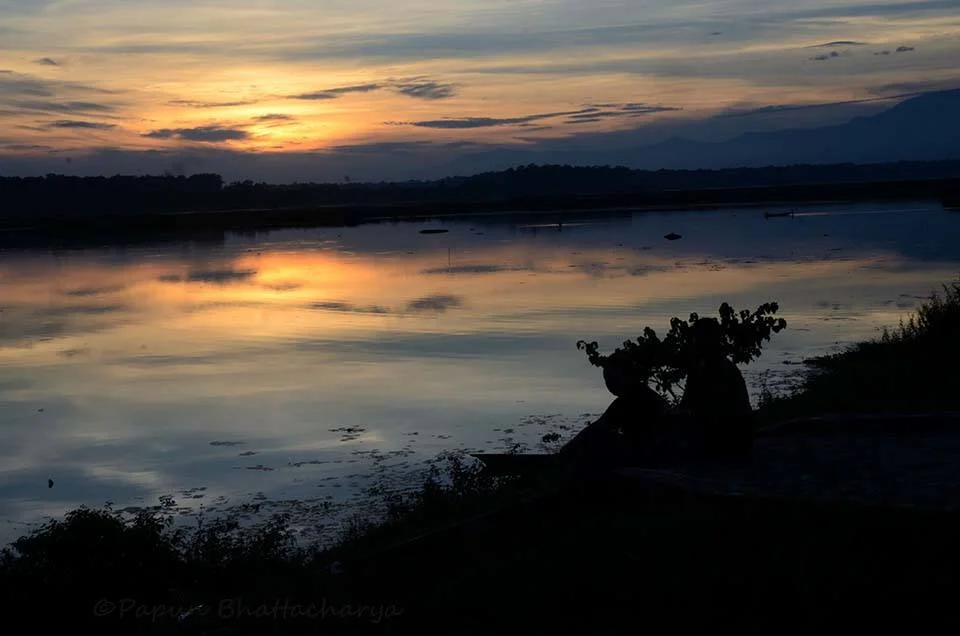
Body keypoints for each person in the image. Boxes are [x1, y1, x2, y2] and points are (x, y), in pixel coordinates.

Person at [558, 362, 670, 473]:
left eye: (612, 378)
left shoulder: (630, 399)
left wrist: (568, 449)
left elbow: (598, 427)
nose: (608, 383)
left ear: (627, 375)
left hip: (650, 455)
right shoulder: (640, 393)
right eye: (606, 379)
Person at [680, 317, 754, 462]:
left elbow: (718, 410)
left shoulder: (723, 369)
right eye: (696, 338)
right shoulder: (698, 368)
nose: (696, 342)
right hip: (717, 429)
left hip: (729, 434)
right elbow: (688, 402)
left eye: (700, 338)